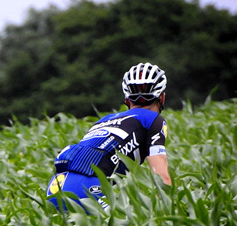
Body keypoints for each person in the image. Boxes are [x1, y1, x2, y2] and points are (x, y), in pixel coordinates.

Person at [47, 62, 171, 212]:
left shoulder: (104, 120)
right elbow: (161, 176)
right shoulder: (153, 119)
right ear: (162, 97)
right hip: (86, 189)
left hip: (55, 187)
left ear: (127, 98)